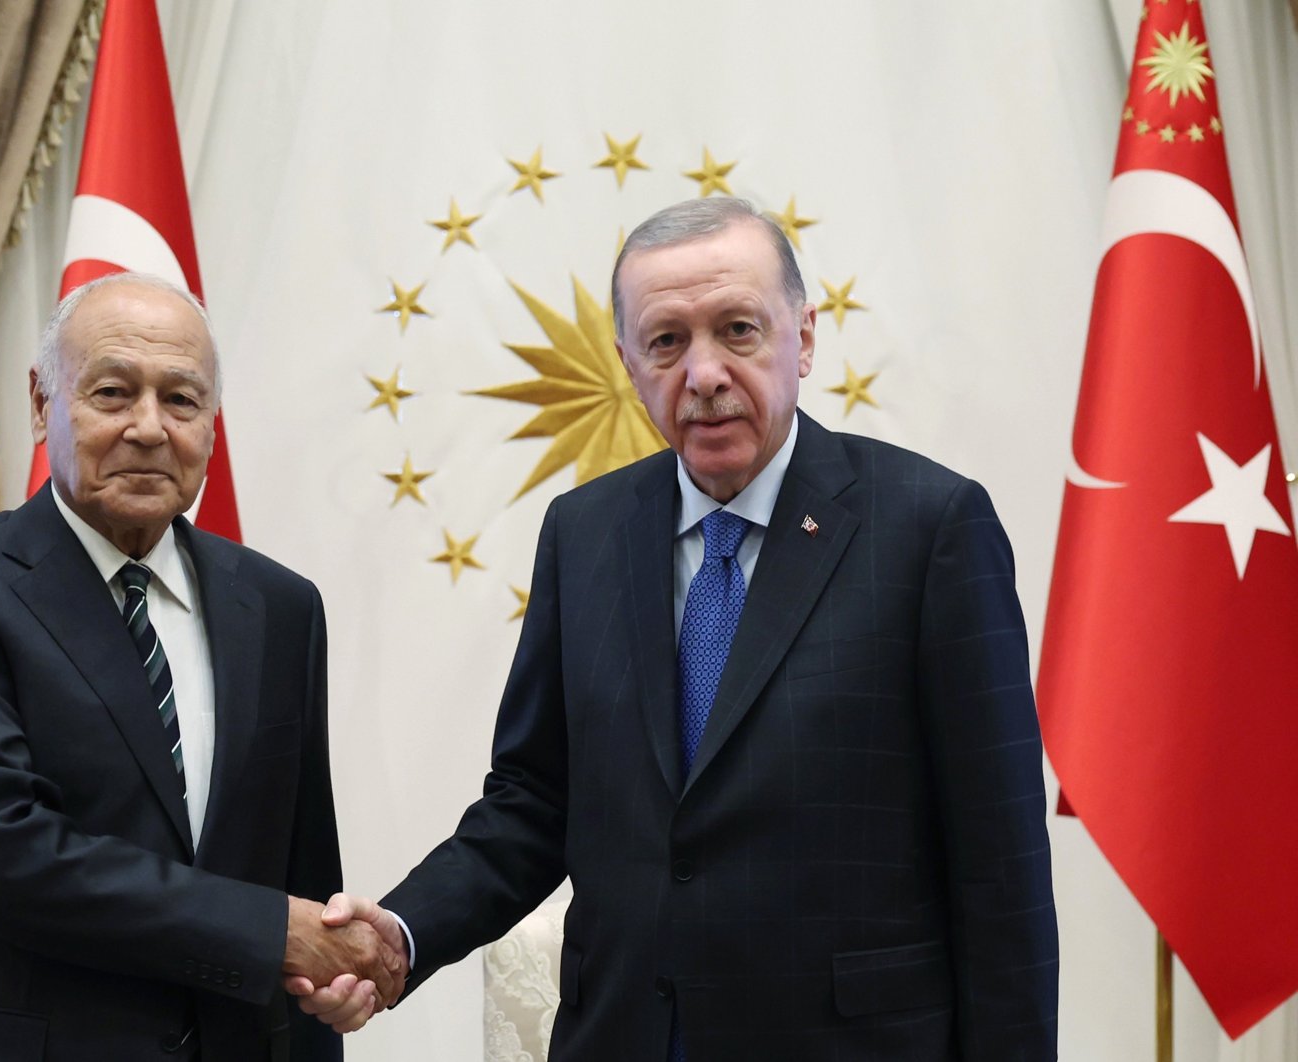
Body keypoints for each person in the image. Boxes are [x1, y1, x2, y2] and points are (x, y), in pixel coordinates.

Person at [297, 198, 1059, 1059]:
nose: (702, 374)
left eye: (738, 330)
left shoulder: (931, 528)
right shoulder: (583, 533)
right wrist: (401, 933)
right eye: (666, 342)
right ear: (627, 364)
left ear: (802, 339)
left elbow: (1001, 867)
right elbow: (535, 804)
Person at [0, 273, 398, 1061]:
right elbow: (2, 854)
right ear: (44, 402)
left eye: (181, 400)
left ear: (212, 425)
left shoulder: (281, 607)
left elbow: (302, 871)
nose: (149, 428)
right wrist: (271, 936)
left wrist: (327, 982)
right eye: (113, 393)